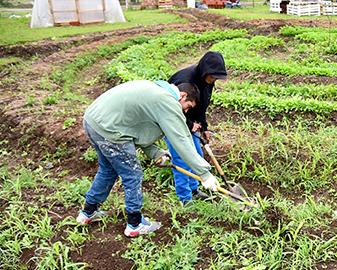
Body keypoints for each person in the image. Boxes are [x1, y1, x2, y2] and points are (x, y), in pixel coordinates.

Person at [75, 80, 220, 236]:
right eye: (188, 107)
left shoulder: (156, 92)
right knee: (133, 173)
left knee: (108, 169)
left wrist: (156, 153)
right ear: (182, 96)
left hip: (94, 121)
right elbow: (181, 140)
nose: (185, 112)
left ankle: (88, 213)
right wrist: (204, 174)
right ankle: (134, 224)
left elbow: (136, 128)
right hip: (109, 128)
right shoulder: (167, 102)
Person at [166, 51, 227, 205]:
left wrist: (204, 126)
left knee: (197, 156)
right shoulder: (185, 80)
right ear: (205, 70)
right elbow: (171, 110)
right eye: (212, 76)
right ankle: (185, 198)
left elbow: (202, 105)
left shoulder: (208, 81)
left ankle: (194, 189)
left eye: (217, 77)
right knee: (181, 158)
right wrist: (189, 124)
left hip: (190, 121)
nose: (214, 80)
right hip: (171, 121)